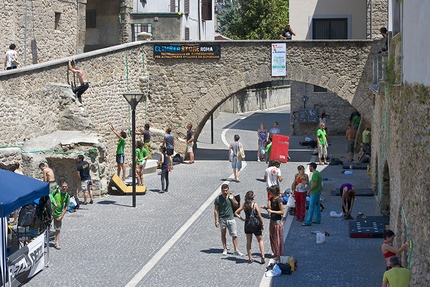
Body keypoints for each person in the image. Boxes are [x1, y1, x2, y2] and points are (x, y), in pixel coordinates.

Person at [234, 190, 265, 264]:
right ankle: (263, 256)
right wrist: (262, 223)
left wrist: (242, 219)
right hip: (255, 225)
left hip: (248, 224)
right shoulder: (254, 204)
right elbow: (259, 215)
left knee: (248, 242)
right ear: (252, 197)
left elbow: (236, 212)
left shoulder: (244, 205)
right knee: (260, 240)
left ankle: (250, 258)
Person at [213, 184, 244, 256]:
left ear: (228, 190)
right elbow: (215, 210)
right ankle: (225, 248)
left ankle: (236, 250)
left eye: (226, 190)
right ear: (221, 191)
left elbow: (236, 204)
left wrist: (232, 199)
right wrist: (216, 220)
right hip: (222, 219)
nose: (225, 192)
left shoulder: (231, 197)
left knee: (234, 234)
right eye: (224, 191)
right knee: (223, 234)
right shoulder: (218, 199)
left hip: (231, 218)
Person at [262, 185, 284, 260]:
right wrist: (266, 208)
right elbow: (270, 208)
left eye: (271, 191)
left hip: (278, 221)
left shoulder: (279, 200)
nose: (269, 193)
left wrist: (272, 211)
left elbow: (282, 211)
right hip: (272, 220)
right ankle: (274, 252)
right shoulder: (271, 199)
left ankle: (278, 254)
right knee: (272, 237)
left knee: (278, 238)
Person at [49, 181, 71, 250]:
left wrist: (62, 216)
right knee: (45, 227)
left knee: (57, 229)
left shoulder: (67, 196)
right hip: (51, 212)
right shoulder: (56, 191)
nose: (64, 188)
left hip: (58, 213)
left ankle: (56, 243)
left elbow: (66, 207)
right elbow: (50, 195)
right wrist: (54, 202)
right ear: (61, 186)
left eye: (65, 186)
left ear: (67, 187)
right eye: (63, 186)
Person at [302, 162, 322, 226]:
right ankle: (317, 219)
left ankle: (308, 221)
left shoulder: (315, 174)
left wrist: (309, 190)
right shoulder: (318, 173)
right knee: (317, 206)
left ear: (312, 167)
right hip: (318, 191)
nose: (309, 168)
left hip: (314, 192)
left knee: (311, 207)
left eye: (309, 167)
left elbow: (315, 184)